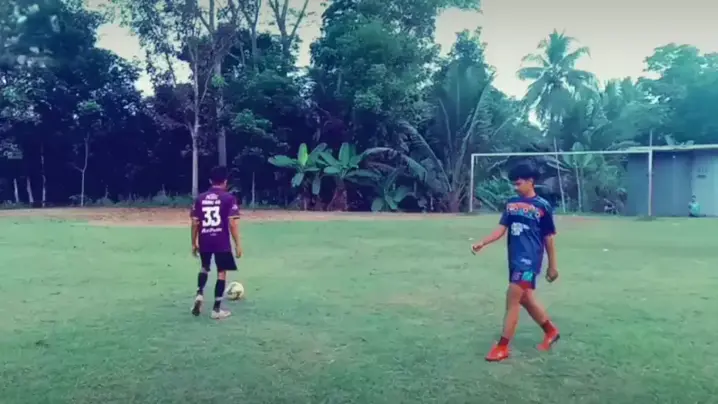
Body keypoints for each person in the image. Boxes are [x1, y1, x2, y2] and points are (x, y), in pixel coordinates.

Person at [471, 163, 560, 362]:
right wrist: (483, 242)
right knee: (525, 298)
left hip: (530, 261)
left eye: (518, 183)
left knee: (512, 298)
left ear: (530, 181)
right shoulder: (511, 204)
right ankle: (551, 331)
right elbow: (501, 229)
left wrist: (552, 266)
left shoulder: (543, 206)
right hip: (514, 259)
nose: (515, 187)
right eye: (514, 184)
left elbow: (549, 238)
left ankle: (502, 347)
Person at [190, 166, 242, 320]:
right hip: (221, 240)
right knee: (221, 272)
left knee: (204, 267)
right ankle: (216, 310)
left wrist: (194, 242)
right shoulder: (228, 198)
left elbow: (195, 223)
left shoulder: (200, 198)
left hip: (205, 238)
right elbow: (232, 223)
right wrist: (238, 244)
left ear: (210, 180)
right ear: (225, 181)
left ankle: (200, 293)